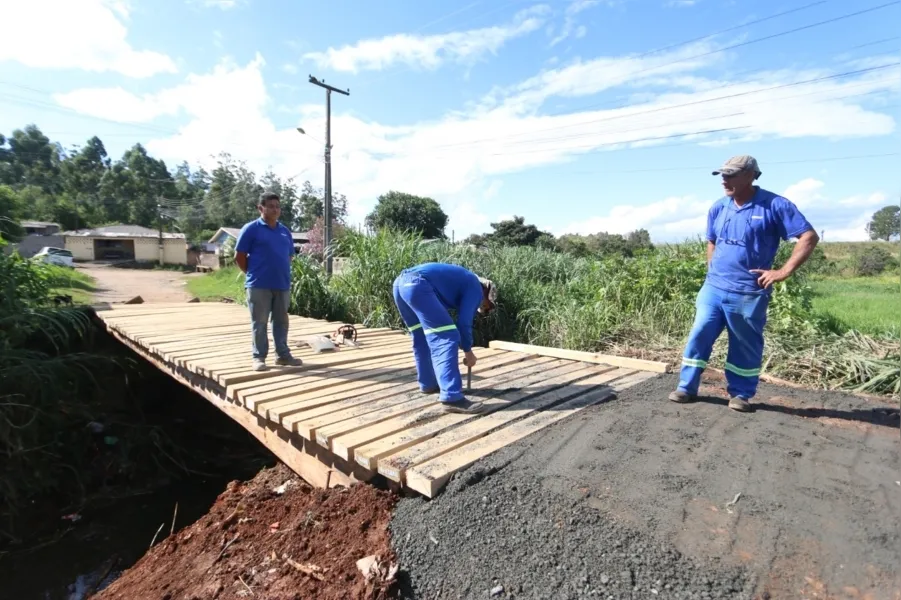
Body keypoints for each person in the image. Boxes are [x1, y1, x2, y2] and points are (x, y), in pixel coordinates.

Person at [669, 155, 819, 412]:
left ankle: (740, 394)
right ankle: (686, 387)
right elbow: (712, 240)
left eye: (731, 175)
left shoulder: (774, 205)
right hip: (713, 289)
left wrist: (782, 271)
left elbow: (808, 236)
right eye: (722, 175)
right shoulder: (719, 207)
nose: (724, 180)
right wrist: (711, 270)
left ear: (750, 175)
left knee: (744, 343)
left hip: (749, 292)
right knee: (699, 335)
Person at [392, 262, 498, 414]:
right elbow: (463, 323)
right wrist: (468, 352)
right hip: (418, 285)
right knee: (446, 336)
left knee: (421, 336)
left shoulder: (461, 281)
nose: (484, 308)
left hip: (400, 285)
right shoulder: (475, 287)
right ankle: (452, 397)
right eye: (488, 306)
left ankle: (428, 384)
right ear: (487, 292)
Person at [234, 191, 303, 372]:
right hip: (258, 284)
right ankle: (259, 357)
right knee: (260, 321)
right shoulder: (251, 229)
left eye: (277, 206)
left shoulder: (284, 231)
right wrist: (252, 273)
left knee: (281, 321)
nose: (275, 210)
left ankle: (282, 355)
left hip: (281, 284)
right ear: (260, 208)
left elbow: (289, 256)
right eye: (271, 206)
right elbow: (239, 256)